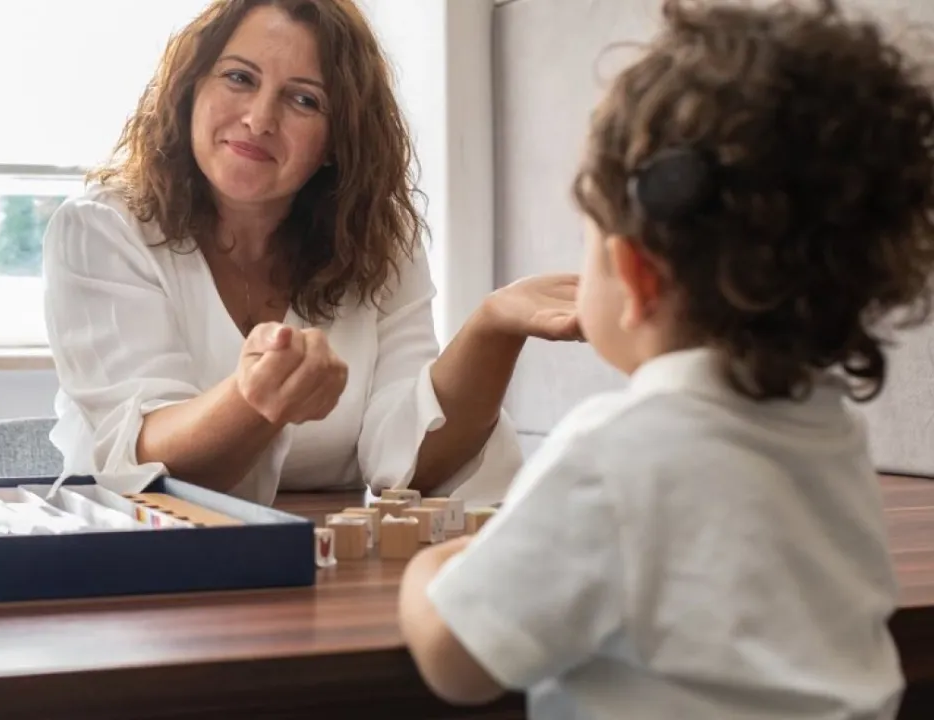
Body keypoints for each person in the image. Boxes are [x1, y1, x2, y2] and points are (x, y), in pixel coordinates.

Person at [399, 0, 934, 717]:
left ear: (638, 276)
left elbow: (456, 660)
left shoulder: (611, 452)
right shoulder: (833, 440)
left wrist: (430, 568)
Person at [42, 0, 580, 506]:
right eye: (239, 77)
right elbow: (142, 455)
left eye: (303, 100)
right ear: (190, 89)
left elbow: (410, 462)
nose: (259, 119)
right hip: (137, 556)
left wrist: (491, 329)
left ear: (336, 141)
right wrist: (252, 400)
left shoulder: (379, 244)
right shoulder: (103, 228)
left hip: (324, 561)